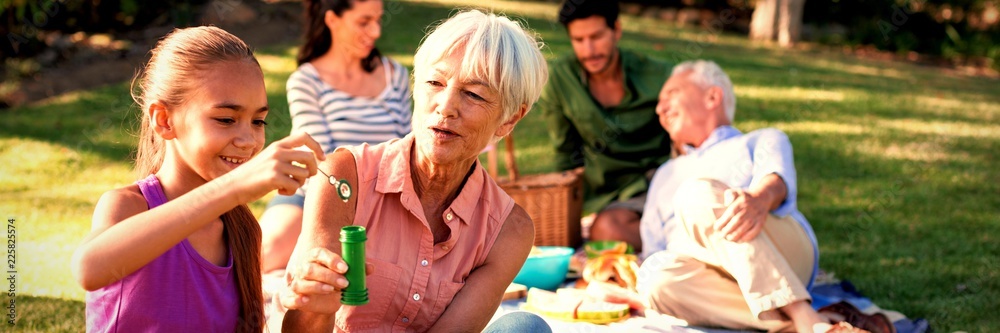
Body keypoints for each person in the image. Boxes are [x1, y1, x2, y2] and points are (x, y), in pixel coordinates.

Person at [272, 10, 552, 332]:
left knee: (524, 326)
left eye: (474, 94)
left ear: (510, 120)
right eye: (434, 82)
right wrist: (314, 296)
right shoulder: (343, 177)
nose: (445, 106)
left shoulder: (508, 231)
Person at [71, 26, 326, 332]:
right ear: (164, 120)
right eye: (226, 119)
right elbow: (89, 268)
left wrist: (315, 308)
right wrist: (235, 187)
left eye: (258, 121)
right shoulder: (128, 207)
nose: (248, 140)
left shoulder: (242, 232)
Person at [618, 60, 884, 332]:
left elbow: (776, 183)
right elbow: (653, 250)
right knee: (655, 279)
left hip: (781, 253)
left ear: (713, 96)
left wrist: (757, 198)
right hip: (709, 276)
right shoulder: (664, 174)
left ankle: (800, 311)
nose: (660, 108)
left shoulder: (758, 140)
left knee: (696, 193)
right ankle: (812, 324)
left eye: (671, 94)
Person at [258, 0, 412, 275]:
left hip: (385, 201)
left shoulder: (395, 75)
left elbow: (407, 147)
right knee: (265, 253)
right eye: (364, 22)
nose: (376, 31)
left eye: (378, 19)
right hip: (316, 197)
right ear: (332, 19)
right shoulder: (307, 80)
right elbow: (321, 159)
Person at [539, 0, 673, 252]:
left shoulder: (659, 75)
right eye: (578, 40)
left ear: (617, 31)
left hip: (663, 181)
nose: (589, 50)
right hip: (611, 195)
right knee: (605, 229)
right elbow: (565, 155)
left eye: (596, 36)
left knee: (607, 230)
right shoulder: (560, 79)